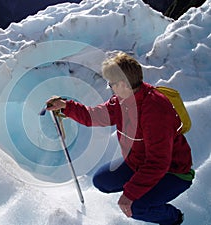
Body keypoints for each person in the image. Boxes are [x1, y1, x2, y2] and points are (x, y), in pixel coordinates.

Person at [46, 52, 194, 225]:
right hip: (138, 163)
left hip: (173, 171)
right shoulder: (121, 101)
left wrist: (130, 194)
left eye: (111, 84)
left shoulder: (155, 111)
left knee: (135, 207)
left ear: (123, 84)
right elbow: (96, 115)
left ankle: (173, 218)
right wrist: (66, 106)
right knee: (102, 181)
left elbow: (159, 162)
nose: (110, 87)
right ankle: (147, 191)